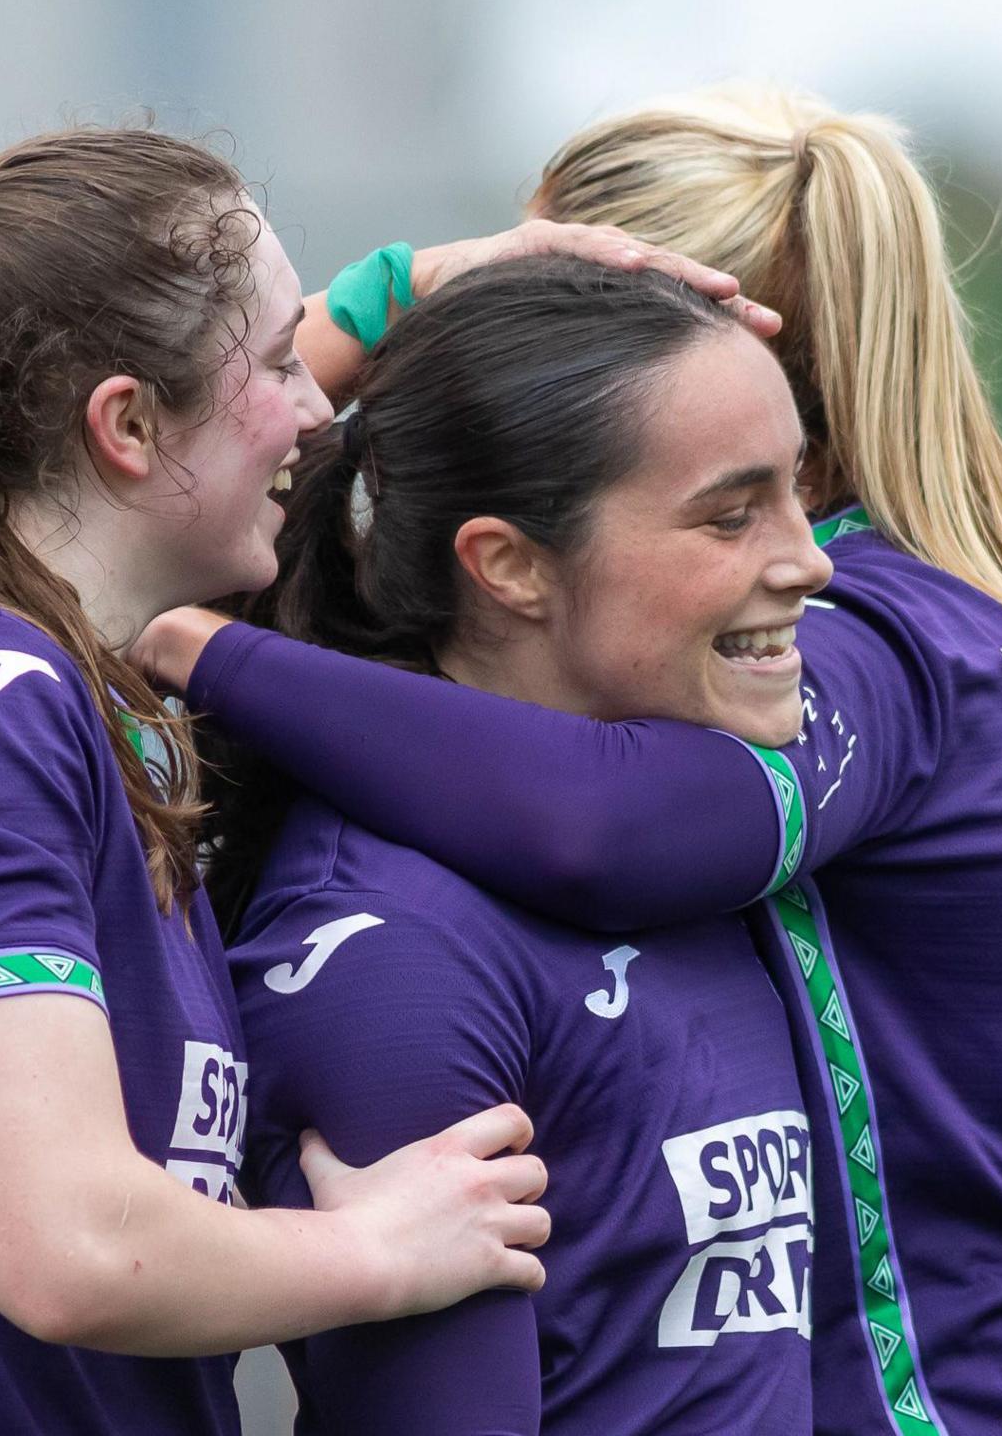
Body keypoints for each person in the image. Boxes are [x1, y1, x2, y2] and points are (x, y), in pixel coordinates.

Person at [140, 86, 1002, 1434]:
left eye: (540, 303)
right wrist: (384, 297)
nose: (483, 345)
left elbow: (605, 824)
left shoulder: (870, 647)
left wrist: (193, 642)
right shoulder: (975, 610)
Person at [0, 129, 557, 1436]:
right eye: (281, 363)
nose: (315, 411)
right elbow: (73, 1247)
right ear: (126, 426)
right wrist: (387, 1249)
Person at [221, 256, 824, 1434]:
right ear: (506, 567)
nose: (809, 559)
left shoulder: (704, 849)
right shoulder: (389, 953)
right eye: (730, 513)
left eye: (795, 493)